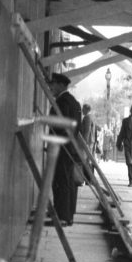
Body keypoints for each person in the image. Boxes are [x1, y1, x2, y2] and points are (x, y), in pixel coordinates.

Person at [48, 73, 82, 226]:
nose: (51, 87)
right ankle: (68, 216)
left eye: (53, 84)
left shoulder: (62, 102)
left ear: (61, 85)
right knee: (67, 182)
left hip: (62, 148)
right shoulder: (73, 102)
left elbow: (62, 127)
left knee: (61, 181)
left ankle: (62, 216)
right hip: (70, 148)